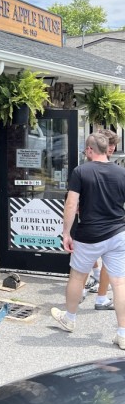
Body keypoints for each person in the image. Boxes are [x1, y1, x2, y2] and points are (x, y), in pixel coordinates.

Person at [51, 132, 125, 350]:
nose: (85, 152)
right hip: (118, 233)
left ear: (91, 150)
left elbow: (71, 205)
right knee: (120, 283)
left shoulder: (80, 171)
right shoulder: (121, 172)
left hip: (89, 235)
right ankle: (123, 334)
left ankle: (70, 319)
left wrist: (66, 233)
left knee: (77, 278)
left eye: (86, 149)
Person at [82, 128, 120, 309]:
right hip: (88, 218)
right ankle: (88, 283)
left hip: (109, 222)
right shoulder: (85, 165)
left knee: (105, 259)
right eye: (109, 144)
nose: (112, 148)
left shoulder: (115, 168)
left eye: (114, 145)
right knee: (84, 257)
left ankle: (100, 295)